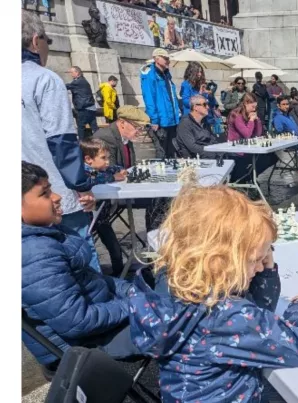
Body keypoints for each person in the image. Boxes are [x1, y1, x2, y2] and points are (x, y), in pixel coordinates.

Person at [126, 186, 298, 402]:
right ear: (220, 261)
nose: (260, 268)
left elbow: (260, 310)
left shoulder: (173, 288)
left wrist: (266, 268)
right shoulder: (223, 315)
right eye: (254, 260)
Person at [21, 161, 140, 376]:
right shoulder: (33, 253)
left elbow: (97, 280)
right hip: (82, 345)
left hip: (99, 320)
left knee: (165, 293)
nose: (57, 196)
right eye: (45, 193)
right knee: (182, 326)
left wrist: (133, 292)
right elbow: (79, 322)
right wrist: (135, 304)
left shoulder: (47, 235)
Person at [22, 11, 100, 271]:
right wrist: (82, 185)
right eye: (47, 41)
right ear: (35, 41)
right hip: (53, 192)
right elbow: (62, 140)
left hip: (22, 198)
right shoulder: (44, 78)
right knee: (82, 261)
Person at [79, 138, 127, 276]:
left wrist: (119, 171)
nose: (107, 161)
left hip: (101, 217)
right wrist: (113, 177)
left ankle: (120, 273)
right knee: (90, 248)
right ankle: (95, 274)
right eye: (103, 158)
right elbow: (94, 179)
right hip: (89, 217)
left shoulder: (102, 168)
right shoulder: (84, 172)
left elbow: (115, 168)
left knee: (114, 246)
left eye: (108, 157)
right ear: (88, 159)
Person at [141, 48, 180, 158]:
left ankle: (173, 174)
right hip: (160, 121)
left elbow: (172, 97)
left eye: (168, 58)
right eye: (165, 58)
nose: (168, 61)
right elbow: (149, 98)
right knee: (161, 153)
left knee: (172, 152)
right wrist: (154, 120)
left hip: (171, 120)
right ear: (156, 59)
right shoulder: (149, 75)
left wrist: (177, 115)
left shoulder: (166, 74)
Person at [174, 94, 220, 159]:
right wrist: (214, 154)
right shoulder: (185, 123)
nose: (208, 107)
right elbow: (193, 147)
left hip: (209, 156)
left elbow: (212, 139)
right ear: (195, 107)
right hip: (195, 160)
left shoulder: (204, 122)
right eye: (204, 104)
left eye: (207, 104)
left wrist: (220, 150)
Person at [66, 66, 99, 140]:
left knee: (81, 128)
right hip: (90, 107)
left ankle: (81, 144)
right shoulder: (82, 80)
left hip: (85, 108)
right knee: (94, 127)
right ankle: (99, 142)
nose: (71, 74)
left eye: (71, 72)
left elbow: (67, 86)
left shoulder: (78, 81)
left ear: (77, 72)